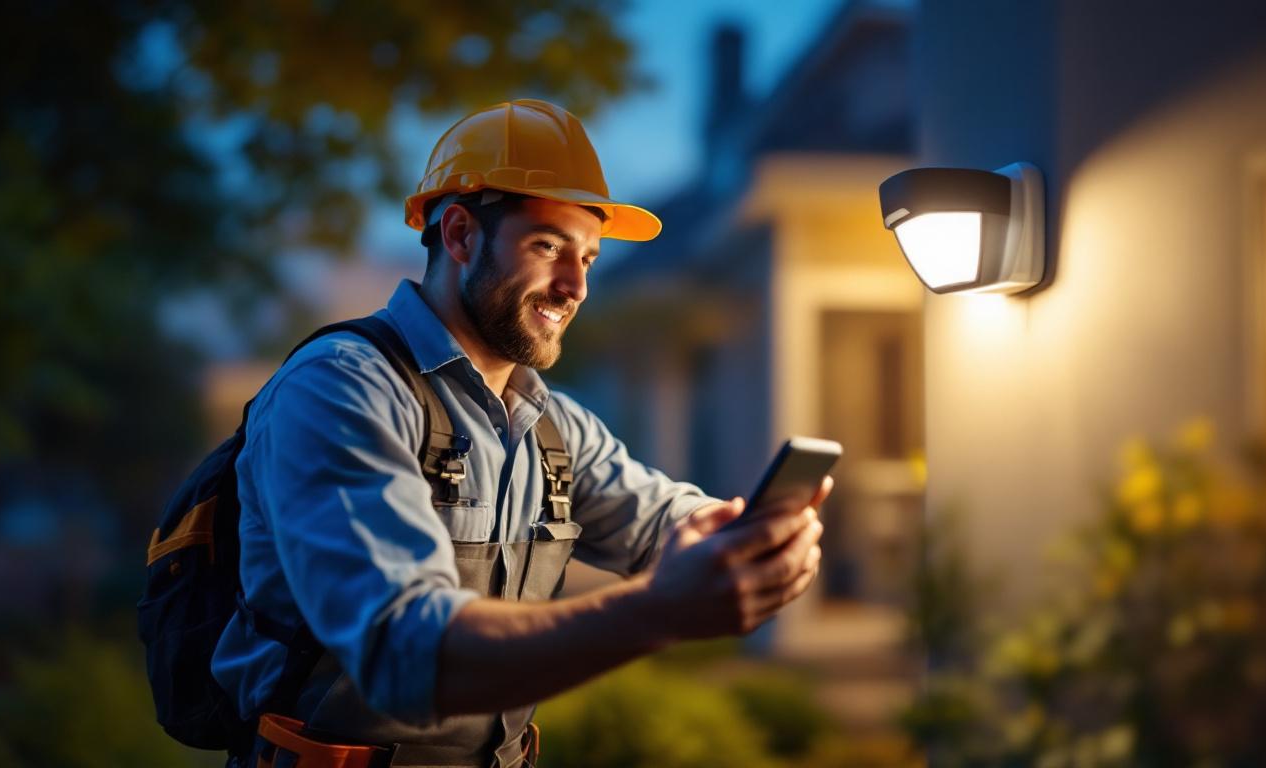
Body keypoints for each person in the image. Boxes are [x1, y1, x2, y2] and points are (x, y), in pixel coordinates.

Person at [213, 99, 829, 768]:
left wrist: (738, 536)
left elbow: (661, 522)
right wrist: (658, 611)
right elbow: (400, 650)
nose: (576, 287)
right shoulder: (340, 388)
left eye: (588, 258)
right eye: (547, 247)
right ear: (459, 236)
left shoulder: (551, 426)